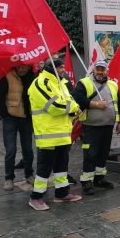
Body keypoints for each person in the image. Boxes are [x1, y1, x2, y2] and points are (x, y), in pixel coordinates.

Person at [27, 59, 82, 211]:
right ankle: (36, 197)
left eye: (63, 67)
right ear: (52, 68)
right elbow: (54, 106)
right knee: (44, 168)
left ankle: (62, 193)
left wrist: (74, 107)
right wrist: (74, 109)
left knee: (61, 166)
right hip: (48, 133)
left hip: (63, 133)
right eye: (60, 67)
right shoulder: (40, 83)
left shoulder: (60, 83)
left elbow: (70, 99)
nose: (63, 70)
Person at [72, 60, 120, 195]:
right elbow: (78, 99)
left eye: (103, 69)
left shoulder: (113, 84)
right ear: (93, 70)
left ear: (107, 71)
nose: (100, 72)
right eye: (98, 69)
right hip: (91, 126)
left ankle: (99, 178)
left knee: (103, 153)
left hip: (108, 125)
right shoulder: (84, 83)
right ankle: (87, 181)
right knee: (90, 154)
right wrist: (96, 104)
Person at [0, 65, 36, 190]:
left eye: (25, 67)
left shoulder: (33, 77)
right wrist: (4, 115)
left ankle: (29, 174)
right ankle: (9, 178)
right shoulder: (6, 77)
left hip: (26, 118)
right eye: (20, 67)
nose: (22, 70)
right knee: (10, 149)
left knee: (28, 149)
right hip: (10, 118)